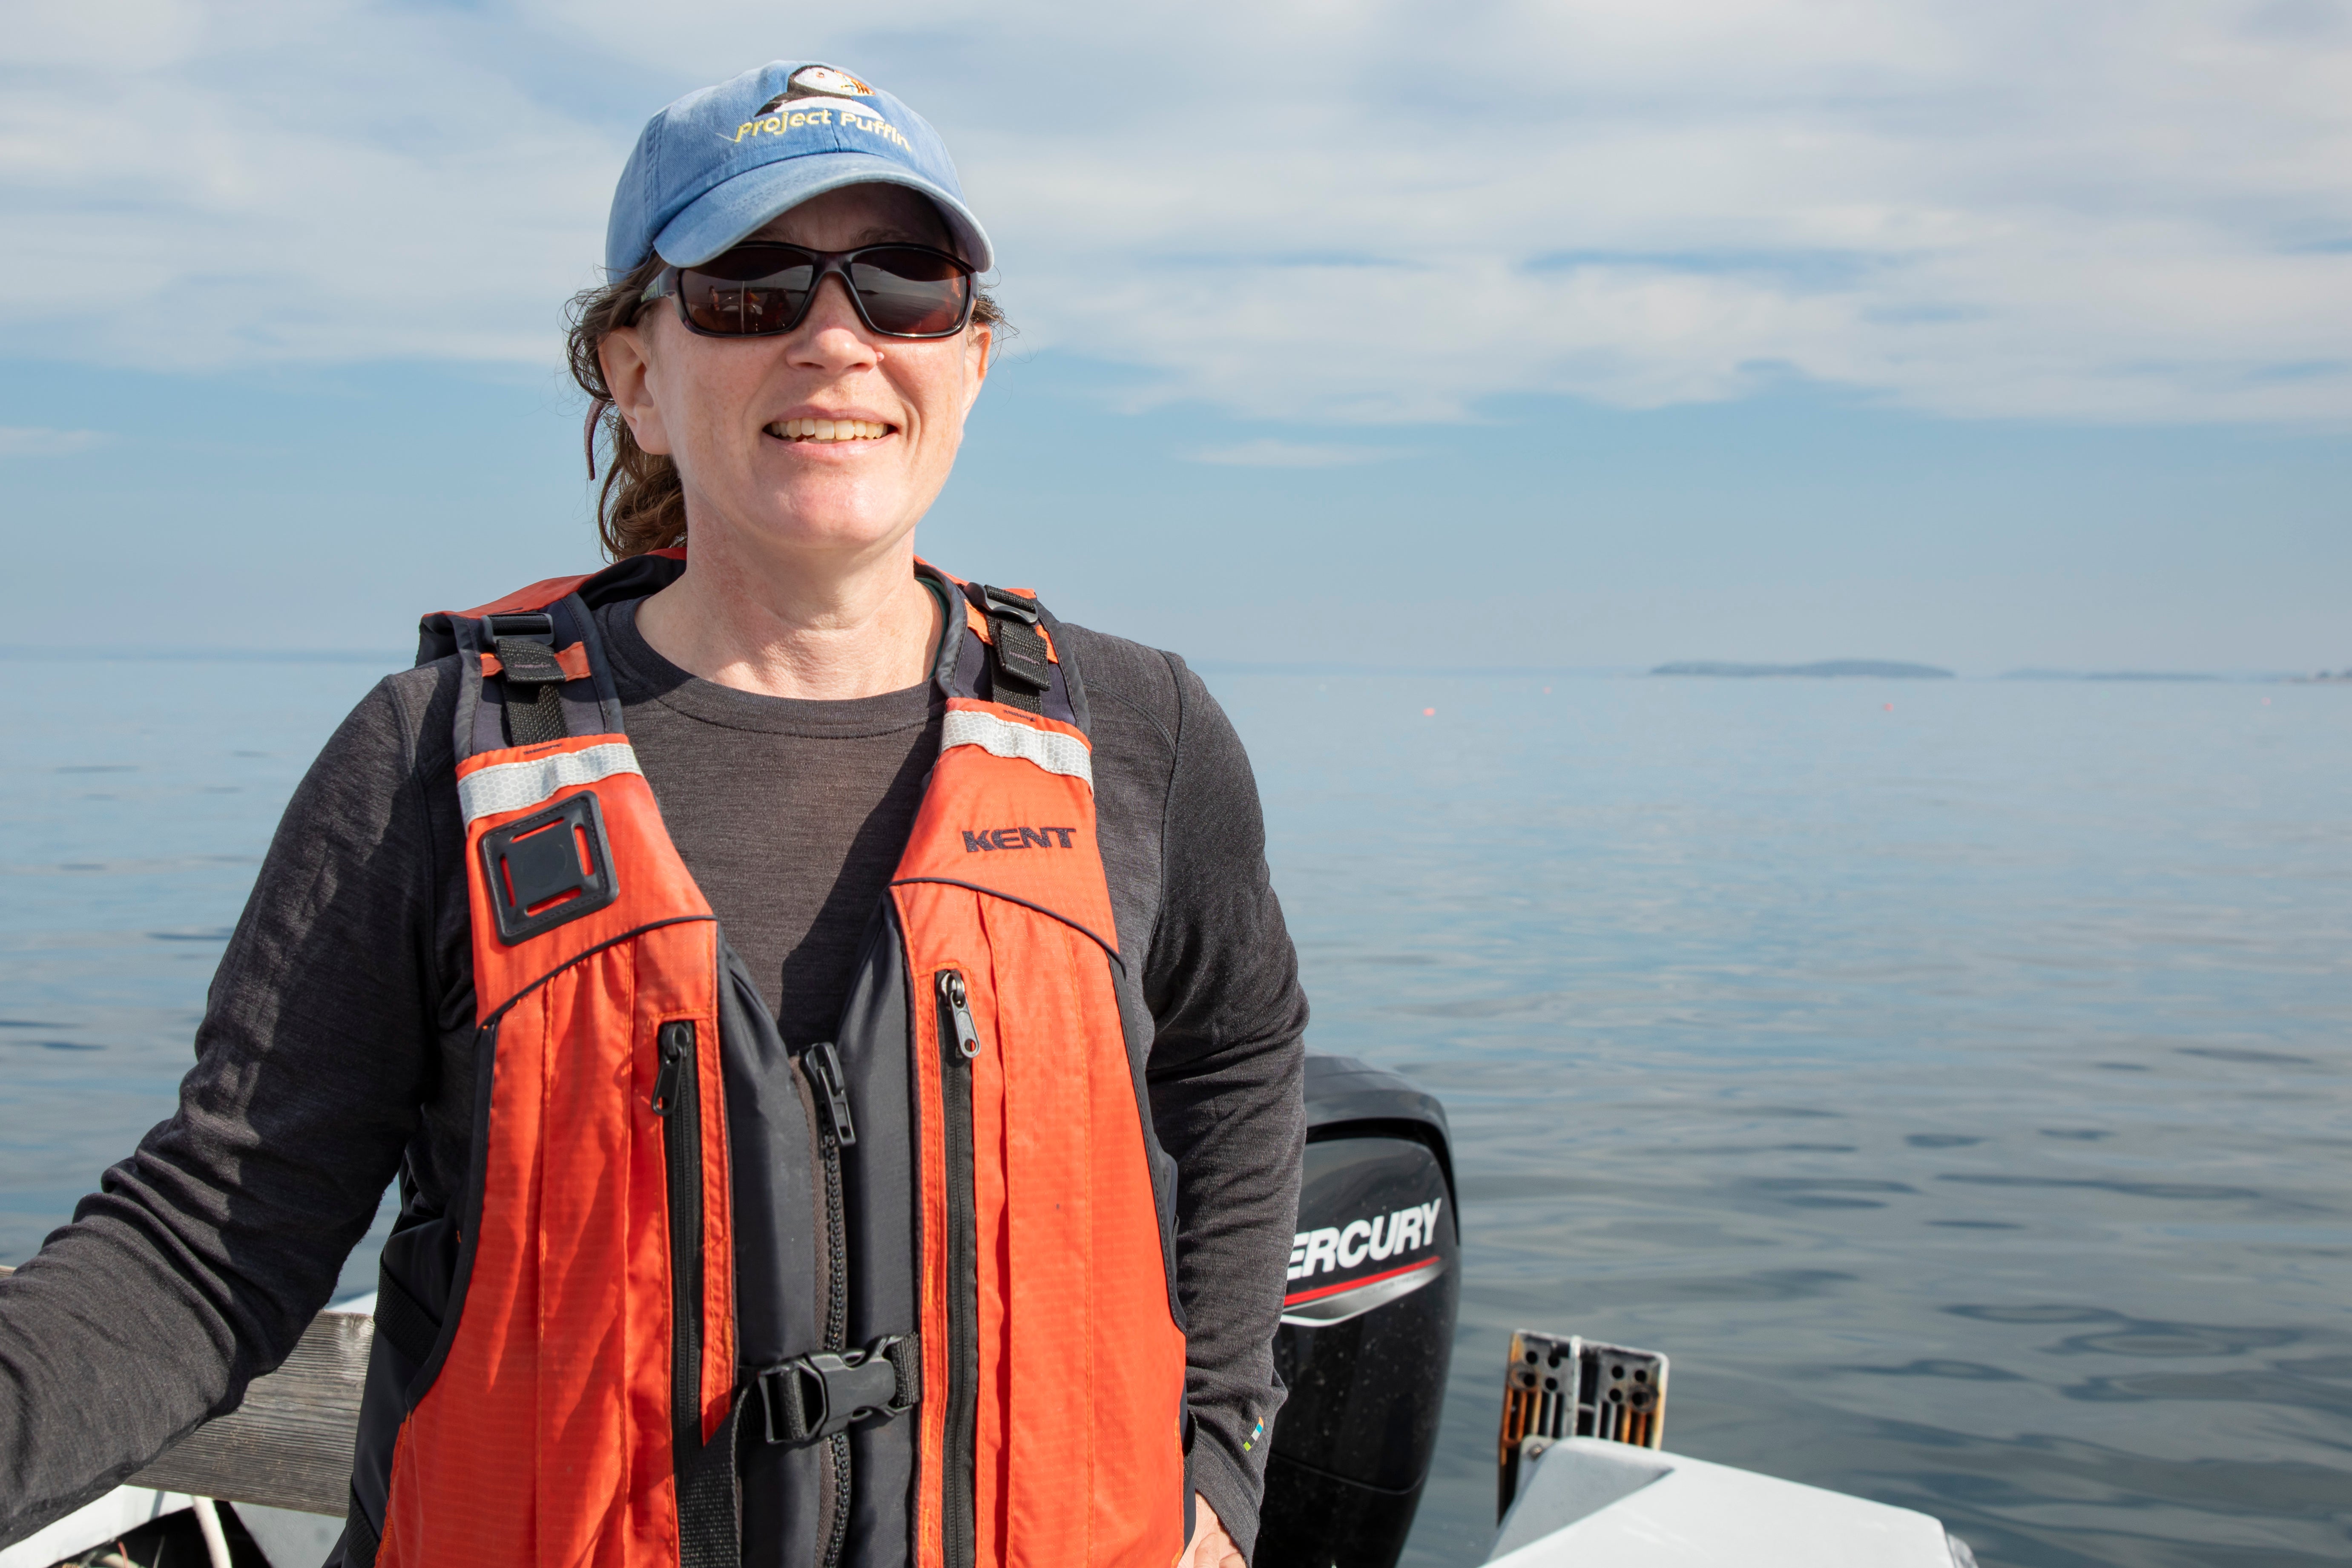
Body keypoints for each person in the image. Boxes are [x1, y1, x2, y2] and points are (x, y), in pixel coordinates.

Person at [0, 61, 1305, 1568]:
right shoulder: (427, 761)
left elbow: (1236, 1060)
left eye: (905, 283)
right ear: (635, 372)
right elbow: (210, 1236)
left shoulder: (1145, 737)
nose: (837, 337)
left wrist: (1219, 1442)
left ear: (974, 357)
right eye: (750, 285)